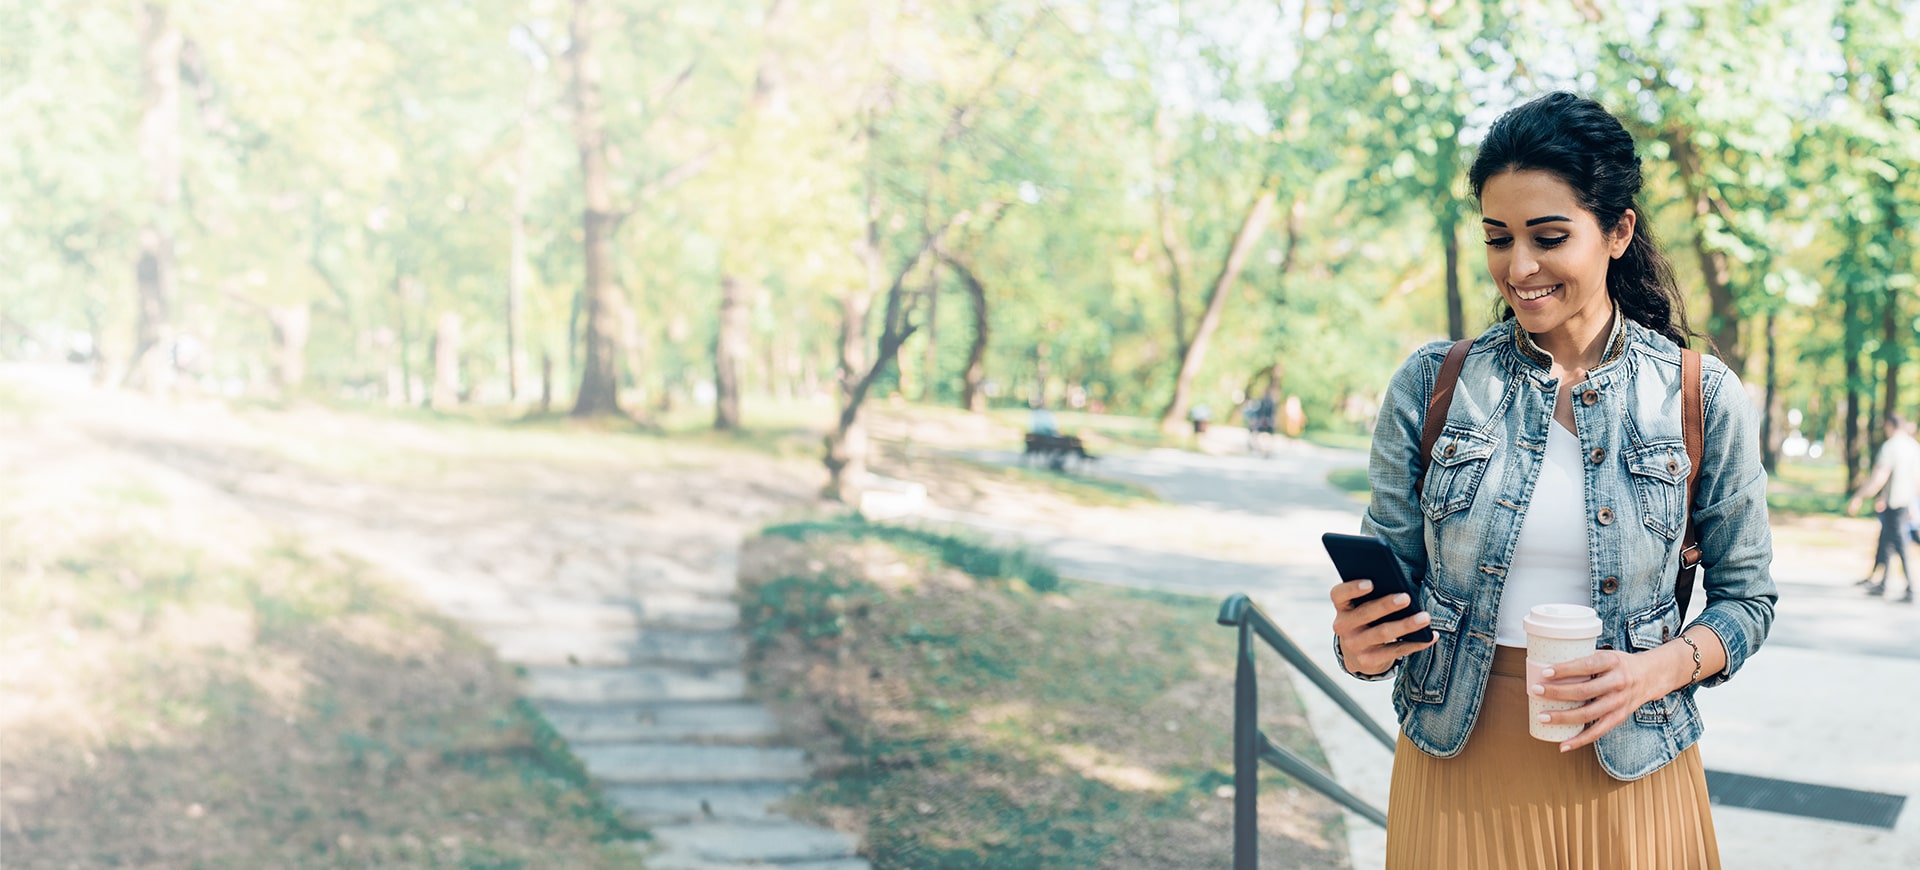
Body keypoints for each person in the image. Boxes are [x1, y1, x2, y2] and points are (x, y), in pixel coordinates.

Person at [1327, 92, 1776, 869]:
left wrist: (1654, 671)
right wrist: (1360, 644)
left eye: (1549, 236)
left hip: (1632, 768)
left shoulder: (1700, 397)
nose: (1520, 266)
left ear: (1618, 231)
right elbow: (1389, 584)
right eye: (1499, 238)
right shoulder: (1433, 384)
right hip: (1455, 764)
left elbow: (1749, 599)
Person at [1847, 414, 1919, 602]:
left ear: (1889, 425)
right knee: (1886, 541)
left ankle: (1910, 587)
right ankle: (1883, 583)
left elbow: (1879, 477)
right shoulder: (1913, 446)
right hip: (1904, 502)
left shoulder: (1891, 447)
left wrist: (1859, 496)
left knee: (1899, 544)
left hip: (1895, 503)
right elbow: (1916, 480)